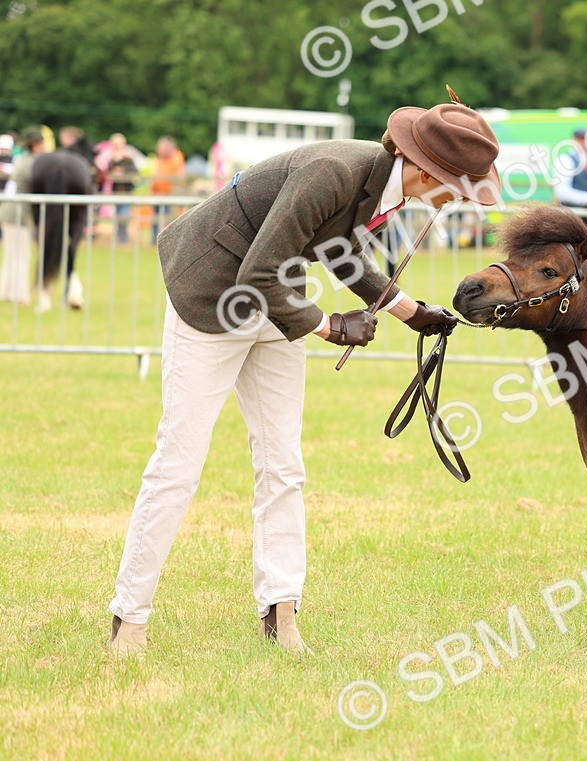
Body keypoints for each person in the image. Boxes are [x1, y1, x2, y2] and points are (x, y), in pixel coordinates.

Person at [106, 96, 501, 655]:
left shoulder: (377, 180)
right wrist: (329, 327)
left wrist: (410, 311)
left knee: (283, 464)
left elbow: (336, 253)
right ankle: (130, 618)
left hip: (276, 300)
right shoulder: (331, 172)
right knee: (179, 463)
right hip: (213, 294)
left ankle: (280, 611)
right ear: (422, 171)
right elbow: (256, 269)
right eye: (456, 188)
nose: (458, 200)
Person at [0, 128, 43, 304]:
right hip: (20, 213)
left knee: (11, 254)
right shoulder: (31, 162)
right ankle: (19, 294)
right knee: (21, 255)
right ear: (36, 144)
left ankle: (6, 291)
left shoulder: (22, 159)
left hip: (11, 211)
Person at [553, 129, 587, 227]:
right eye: (580, 139)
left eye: (586, 140)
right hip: (570, 219)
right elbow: (562, 192)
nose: (583, 143)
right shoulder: (565, 160)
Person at [150, 136, 185, 245]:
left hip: (168, 195)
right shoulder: (160, 159)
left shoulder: (176, 158)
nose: (159, 150)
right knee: (156, 218)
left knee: (167, 219)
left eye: (161, 147)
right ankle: (155, 240)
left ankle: (164, 241)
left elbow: (178, 177)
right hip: (157, 193)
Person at [105, 133, 140, 245]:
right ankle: (120, 238)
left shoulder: (128, 159)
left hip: (126, 191)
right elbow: (107, 173)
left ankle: (123, 238)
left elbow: (135, 173)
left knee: (124, 215)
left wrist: (122, 171)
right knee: (118, 215)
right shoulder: (111, 159)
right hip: (116, 191)